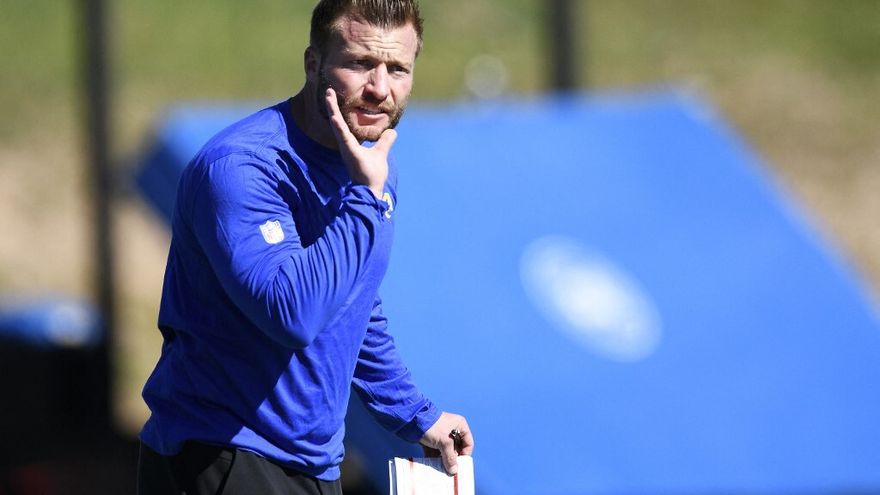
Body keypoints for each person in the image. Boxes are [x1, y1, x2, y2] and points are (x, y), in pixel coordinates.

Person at [136, 1, 474, 493]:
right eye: (360, 63)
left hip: (314, 464)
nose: (379, 88)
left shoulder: (370, 166)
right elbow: (292, 313)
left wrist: (416, 414)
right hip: (221, 458)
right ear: (313, 63)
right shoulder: (241, 167)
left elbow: (353, 303)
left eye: (398, 69)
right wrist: (366, 197)